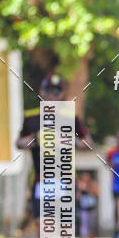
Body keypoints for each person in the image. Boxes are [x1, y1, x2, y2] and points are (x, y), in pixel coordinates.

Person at [16, 73, 91, 226]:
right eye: (48, 90)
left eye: (56, 91)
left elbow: (88, 144)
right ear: (41, 91)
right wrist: (34, 139)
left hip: (65, 179)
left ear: (62, 94)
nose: (52, 95)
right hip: (40, 179)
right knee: (41, 225)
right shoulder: (31, 117)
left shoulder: (70, 117)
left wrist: (68, 140)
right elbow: (19, 142)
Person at [76, 171, 99, 238]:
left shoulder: (93, 183)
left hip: (92, 207)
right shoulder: (80, 185)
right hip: (84, 207)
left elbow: (97, 192)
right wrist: (80, 189)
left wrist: (87, 188)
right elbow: (78, 197)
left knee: (91, 223)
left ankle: (91, 236)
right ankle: (84, 237)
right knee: (84, 223)